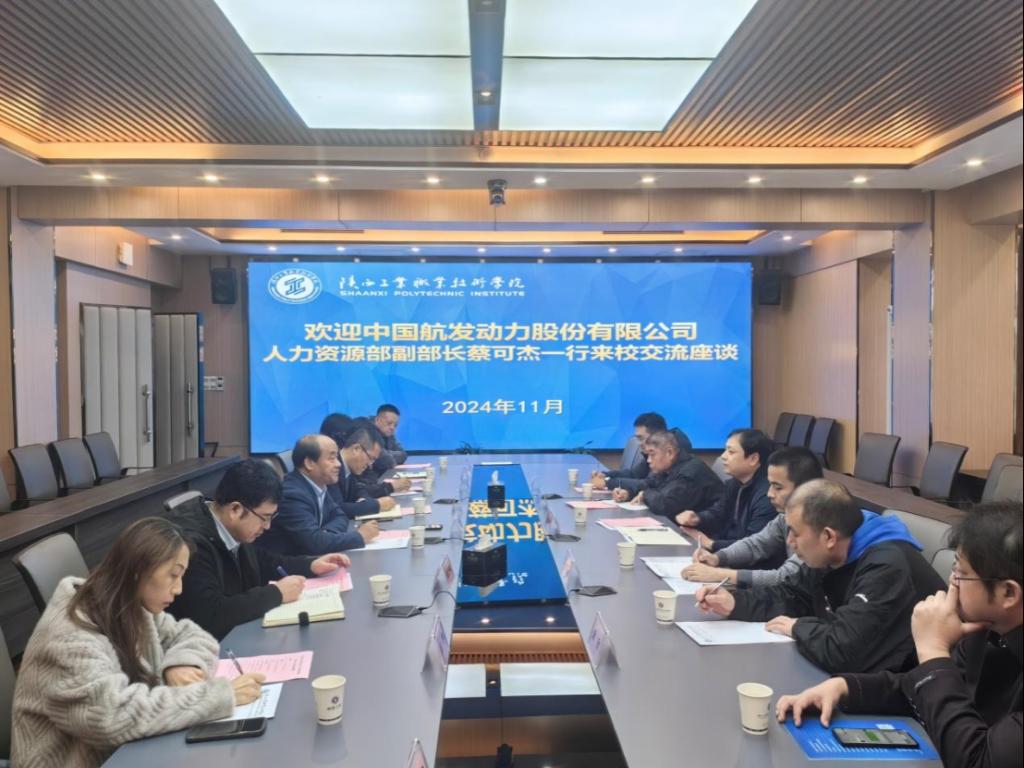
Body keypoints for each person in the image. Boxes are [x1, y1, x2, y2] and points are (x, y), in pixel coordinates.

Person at [776, 502, 1022, 768]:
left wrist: (933, 652)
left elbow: (976, 761)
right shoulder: (986, 630)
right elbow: (923, 691)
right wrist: (844, 688)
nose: (951, 583)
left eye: (961, 574)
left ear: (1008, 593)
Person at [10, 517, 264, 768]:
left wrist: (180, 663)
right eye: (173, 575)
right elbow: (111, 716)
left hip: (129, 752)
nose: (179, 589)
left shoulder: (128, 604)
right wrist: (217, 697)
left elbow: (191, 634)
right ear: (137, 571)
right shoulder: (69, 637)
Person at [696, 479, 946, 673]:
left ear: (828, 536)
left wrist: (797, 627)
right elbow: (792, 595)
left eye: (795, 533)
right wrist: (735, 602)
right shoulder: (830, 552)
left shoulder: (886, 565)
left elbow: (844, 650)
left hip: (908, 688)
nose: (790, 542)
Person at [168, 459, 352, 639]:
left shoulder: (230, 526)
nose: (267, 526)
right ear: (235, 509)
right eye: (265, 517)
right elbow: (211, 614)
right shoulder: (190, 545)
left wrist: (310, 565)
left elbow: (262, 561)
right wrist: (277, 594)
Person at [682, 446, 822, 587]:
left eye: (778, 487)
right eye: (770, 485)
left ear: (805, 488)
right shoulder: (784, 516)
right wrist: (717, 558)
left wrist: (719, 574)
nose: (770, 494)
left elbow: (788, 577)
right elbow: (757, 544)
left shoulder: (818, 524)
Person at [260, 434, 380, 555]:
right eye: (331, 458)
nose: (338, 464)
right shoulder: (292, 495)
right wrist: (359, 536)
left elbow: (340, 515)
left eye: (337, 458)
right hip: (291, 564)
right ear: (309, 463)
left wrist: (325, 534)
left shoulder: (318, 485)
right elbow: (315, 544)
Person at [676, 428, 776, 550]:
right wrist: (697, 518)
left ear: (753, 459)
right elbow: (718, 513)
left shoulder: (768, 495)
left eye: (731, 452)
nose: (723, 456)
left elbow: (754, 545)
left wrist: (711, 544)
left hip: (743, 559)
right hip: (727, 551)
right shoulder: (735, 483)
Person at [609, 430, 723, 519]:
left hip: (705, 535)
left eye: (652, 454)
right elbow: (648, 484)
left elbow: (665, 506)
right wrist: (628, 493)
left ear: (670, 453)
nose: (648, 460)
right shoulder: (669, 466)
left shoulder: (690, 472)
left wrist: (644, 494)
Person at [329, 426, 399, 518]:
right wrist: (376, 505)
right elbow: (337, 508)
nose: (370, 464)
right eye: (370, 458)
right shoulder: (332, 468)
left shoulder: (350, 467)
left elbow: (358, 490)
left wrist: (365, 500)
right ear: (356, 449)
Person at [591, 412, 667, 493]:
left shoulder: (667, 456)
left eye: (641, 438)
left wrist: (608, 483)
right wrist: (606, 475)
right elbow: (634, 474)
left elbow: (647, 485)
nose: (639, 444)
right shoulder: (650, 454)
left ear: (656, 436)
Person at [370, 404, 407, 473]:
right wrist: (385, 455)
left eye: (395, 425)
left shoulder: (388, 433)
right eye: (389, 423)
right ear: (377, 420)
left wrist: (386, 453)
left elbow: (403, 455)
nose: (392, 428)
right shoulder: (367, 431)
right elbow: (386, 461)